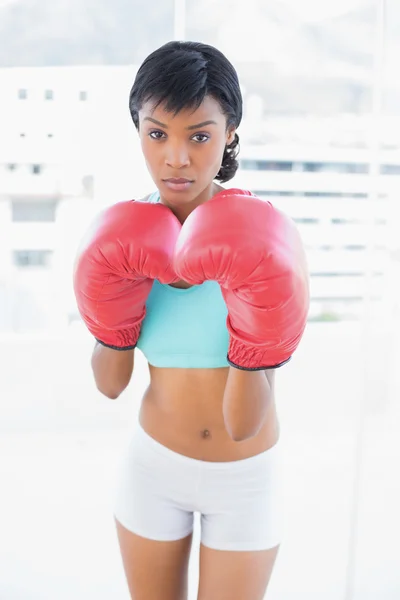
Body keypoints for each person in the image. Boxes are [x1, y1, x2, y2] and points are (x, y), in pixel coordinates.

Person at [73, 40, 309, 600]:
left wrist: (253, 339)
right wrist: (114, 318)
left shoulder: (261, 235)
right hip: (153, 469)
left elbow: (243, 423)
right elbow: (110, 386)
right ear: (138, 131)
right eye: (157, 134)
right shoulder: (121, 238)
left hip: (245, 479)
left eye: (199, 136)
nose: (176, 158)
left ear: (229, 133)